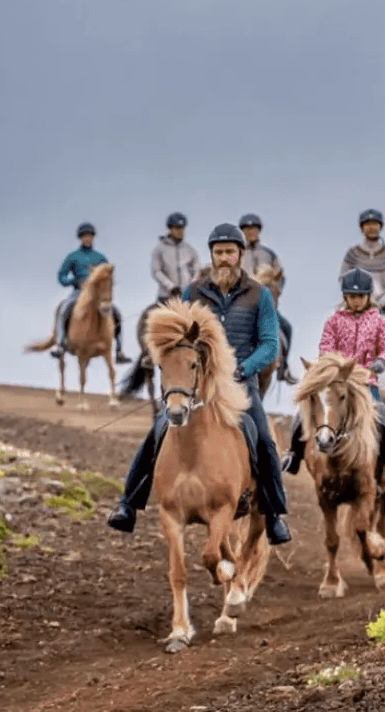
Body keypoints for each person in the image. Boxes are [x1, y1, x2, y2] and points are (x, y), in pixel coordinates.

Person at [106, 222, 292, 546]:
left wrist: (243, 367)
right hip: (197, 387)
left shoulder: (259, 295)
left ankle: (273, 514)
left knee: (264, 439)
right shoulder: (193, 292)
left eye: (230, 252)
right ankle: (128, 505)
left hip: (239, 384)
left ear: (240, 256)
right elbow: (178, 336)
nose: (224, 258)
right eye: (218, 252)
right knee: (157, 432)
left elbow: (269, 345)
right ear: (212, 255)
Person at [280, 268, 385, 481]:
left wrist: (381, 362)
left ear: (368, 296)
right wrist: (332, 366)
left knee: (382, 415)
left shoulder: (380, 322)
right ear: (345, 297)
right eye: (352, 296)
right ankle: (294, 454)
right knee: (300, 414)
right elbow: (326, 347)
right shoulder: (333, 322)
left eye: (360, 296)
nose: (356, 301)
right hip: (336, 381)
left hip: (364, 381)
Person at [338, 209, 385, 397]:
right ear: (362, 228)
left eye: (375, 224)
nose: (371, 227)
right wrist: (354, 294)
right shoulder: (353, 253)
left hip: (381, 304)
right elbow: (342, 276)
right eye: (367, 224)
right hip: (355, 301)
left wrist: (383, 299)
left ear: (381, 227)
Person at [51, 222, 132, 365]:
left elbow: (108, 275)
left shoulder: (100, 257)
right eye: (84, 236)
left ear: (93, 238)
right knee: (64, 309)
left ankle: (119, 350)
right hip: (78, 292)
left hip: (96, 295)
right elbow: (61, 276)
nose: (87, 239)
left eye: (90, 236)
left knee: (116, 313)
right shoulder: (73, 257)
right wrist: (74, 281)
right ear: (80, 238)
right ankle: (60, 344)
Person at [238, 213, 298, 385]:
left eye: (254, 229)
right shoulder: (237, 255)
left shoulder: (269, 254)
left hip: (267, 306)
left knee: (287, 328)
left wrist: (276, 291)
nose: (251, 233)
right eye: (247, 229)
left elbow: (281, 277)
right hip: (242, 306)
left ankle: (284, 367)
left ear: (259, 231)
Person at [151, 212, 201, 304]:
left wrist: (191, 286)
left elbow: (197, 271)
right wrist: (171, 286)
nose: (180, 231)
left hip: (187, 298)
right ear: (170, 229)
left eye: (182, 228)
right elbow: (156, 272)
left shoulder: (190, 250)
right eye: (177, 228)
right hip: (166, 297)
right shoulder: (159, 249)